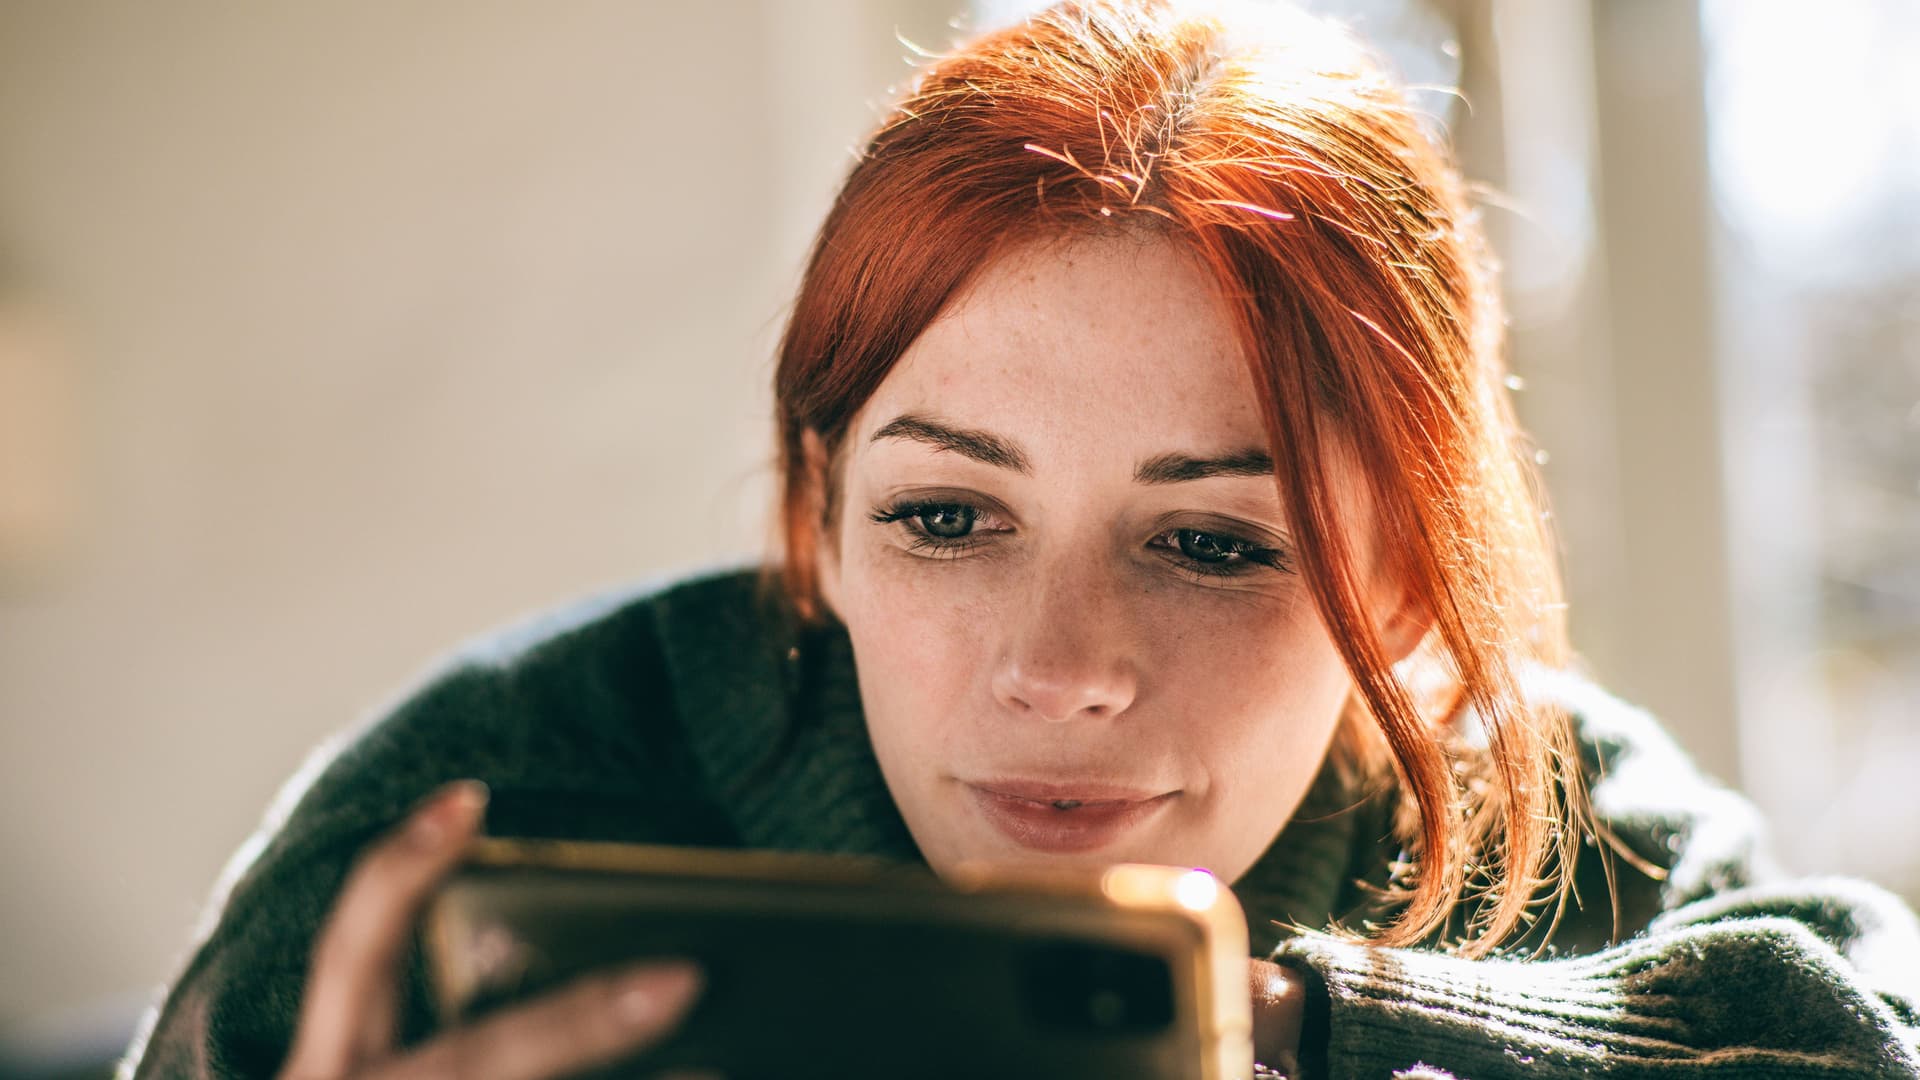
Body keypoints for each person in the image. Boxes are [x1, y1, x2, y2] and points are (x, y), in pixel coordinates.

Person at [120, 1, 1920, 1078]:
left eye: (1215, 544)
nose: (1062, 667)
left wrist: (1285, 1031)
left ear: (1403, 582)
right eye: (947, 517)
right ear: (819, 519)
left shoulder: (1562, 834)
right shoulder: (504, 799)